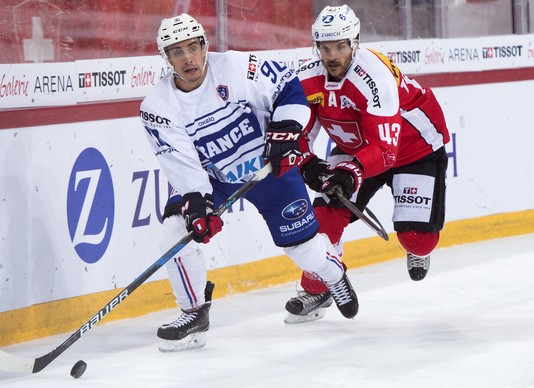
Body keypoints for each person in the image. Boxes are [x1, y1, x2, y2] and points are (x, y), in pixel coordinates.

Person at [140, 13, 359, 352]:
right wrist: (199, 202)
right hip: (216, 177)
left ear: (204, 46)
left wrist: (286, 129)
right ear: (166, 59)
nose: (188, 58)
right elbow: (180, 162)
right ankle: (194, 312)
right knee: (175, 231)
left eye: (192, 48)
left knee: (303, 249)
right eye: (177, 52)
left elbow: (289, 91)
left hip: (269, 170)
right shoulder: (157, 106)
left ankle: (334, 277)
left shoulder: (237, 67)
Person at [284, 5, 450, 322]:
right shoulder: (307, 79)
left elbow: (385, 150)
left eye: (340, 46)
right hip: (356, 146)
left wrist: (351, 173)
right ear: (316, 46)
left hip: (414, 147)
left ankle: (418, 247)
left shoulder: (374, 77)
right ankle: (317, 288)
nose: (332, 55)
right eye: (325, 47)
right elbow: (297, 132)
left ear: (355, 43)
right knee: (325, 216)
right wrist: (307, 164)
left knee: (417, 238)